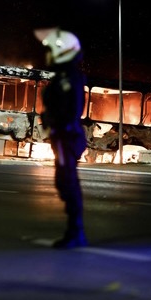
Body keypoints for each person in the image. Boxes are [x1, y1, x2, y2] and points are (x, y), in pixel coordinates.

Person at [35, 28, 88, 249]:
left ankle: (76, 233)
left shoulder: (70, 79)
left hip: (67, 137)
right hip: (62, 137)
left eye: (49, 50)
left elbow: (71, 110)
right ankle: (74, 231)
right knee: (63, 181)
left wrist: (56, 122)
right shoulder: (63, 78)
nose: (46, 55)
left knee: (68, 182)